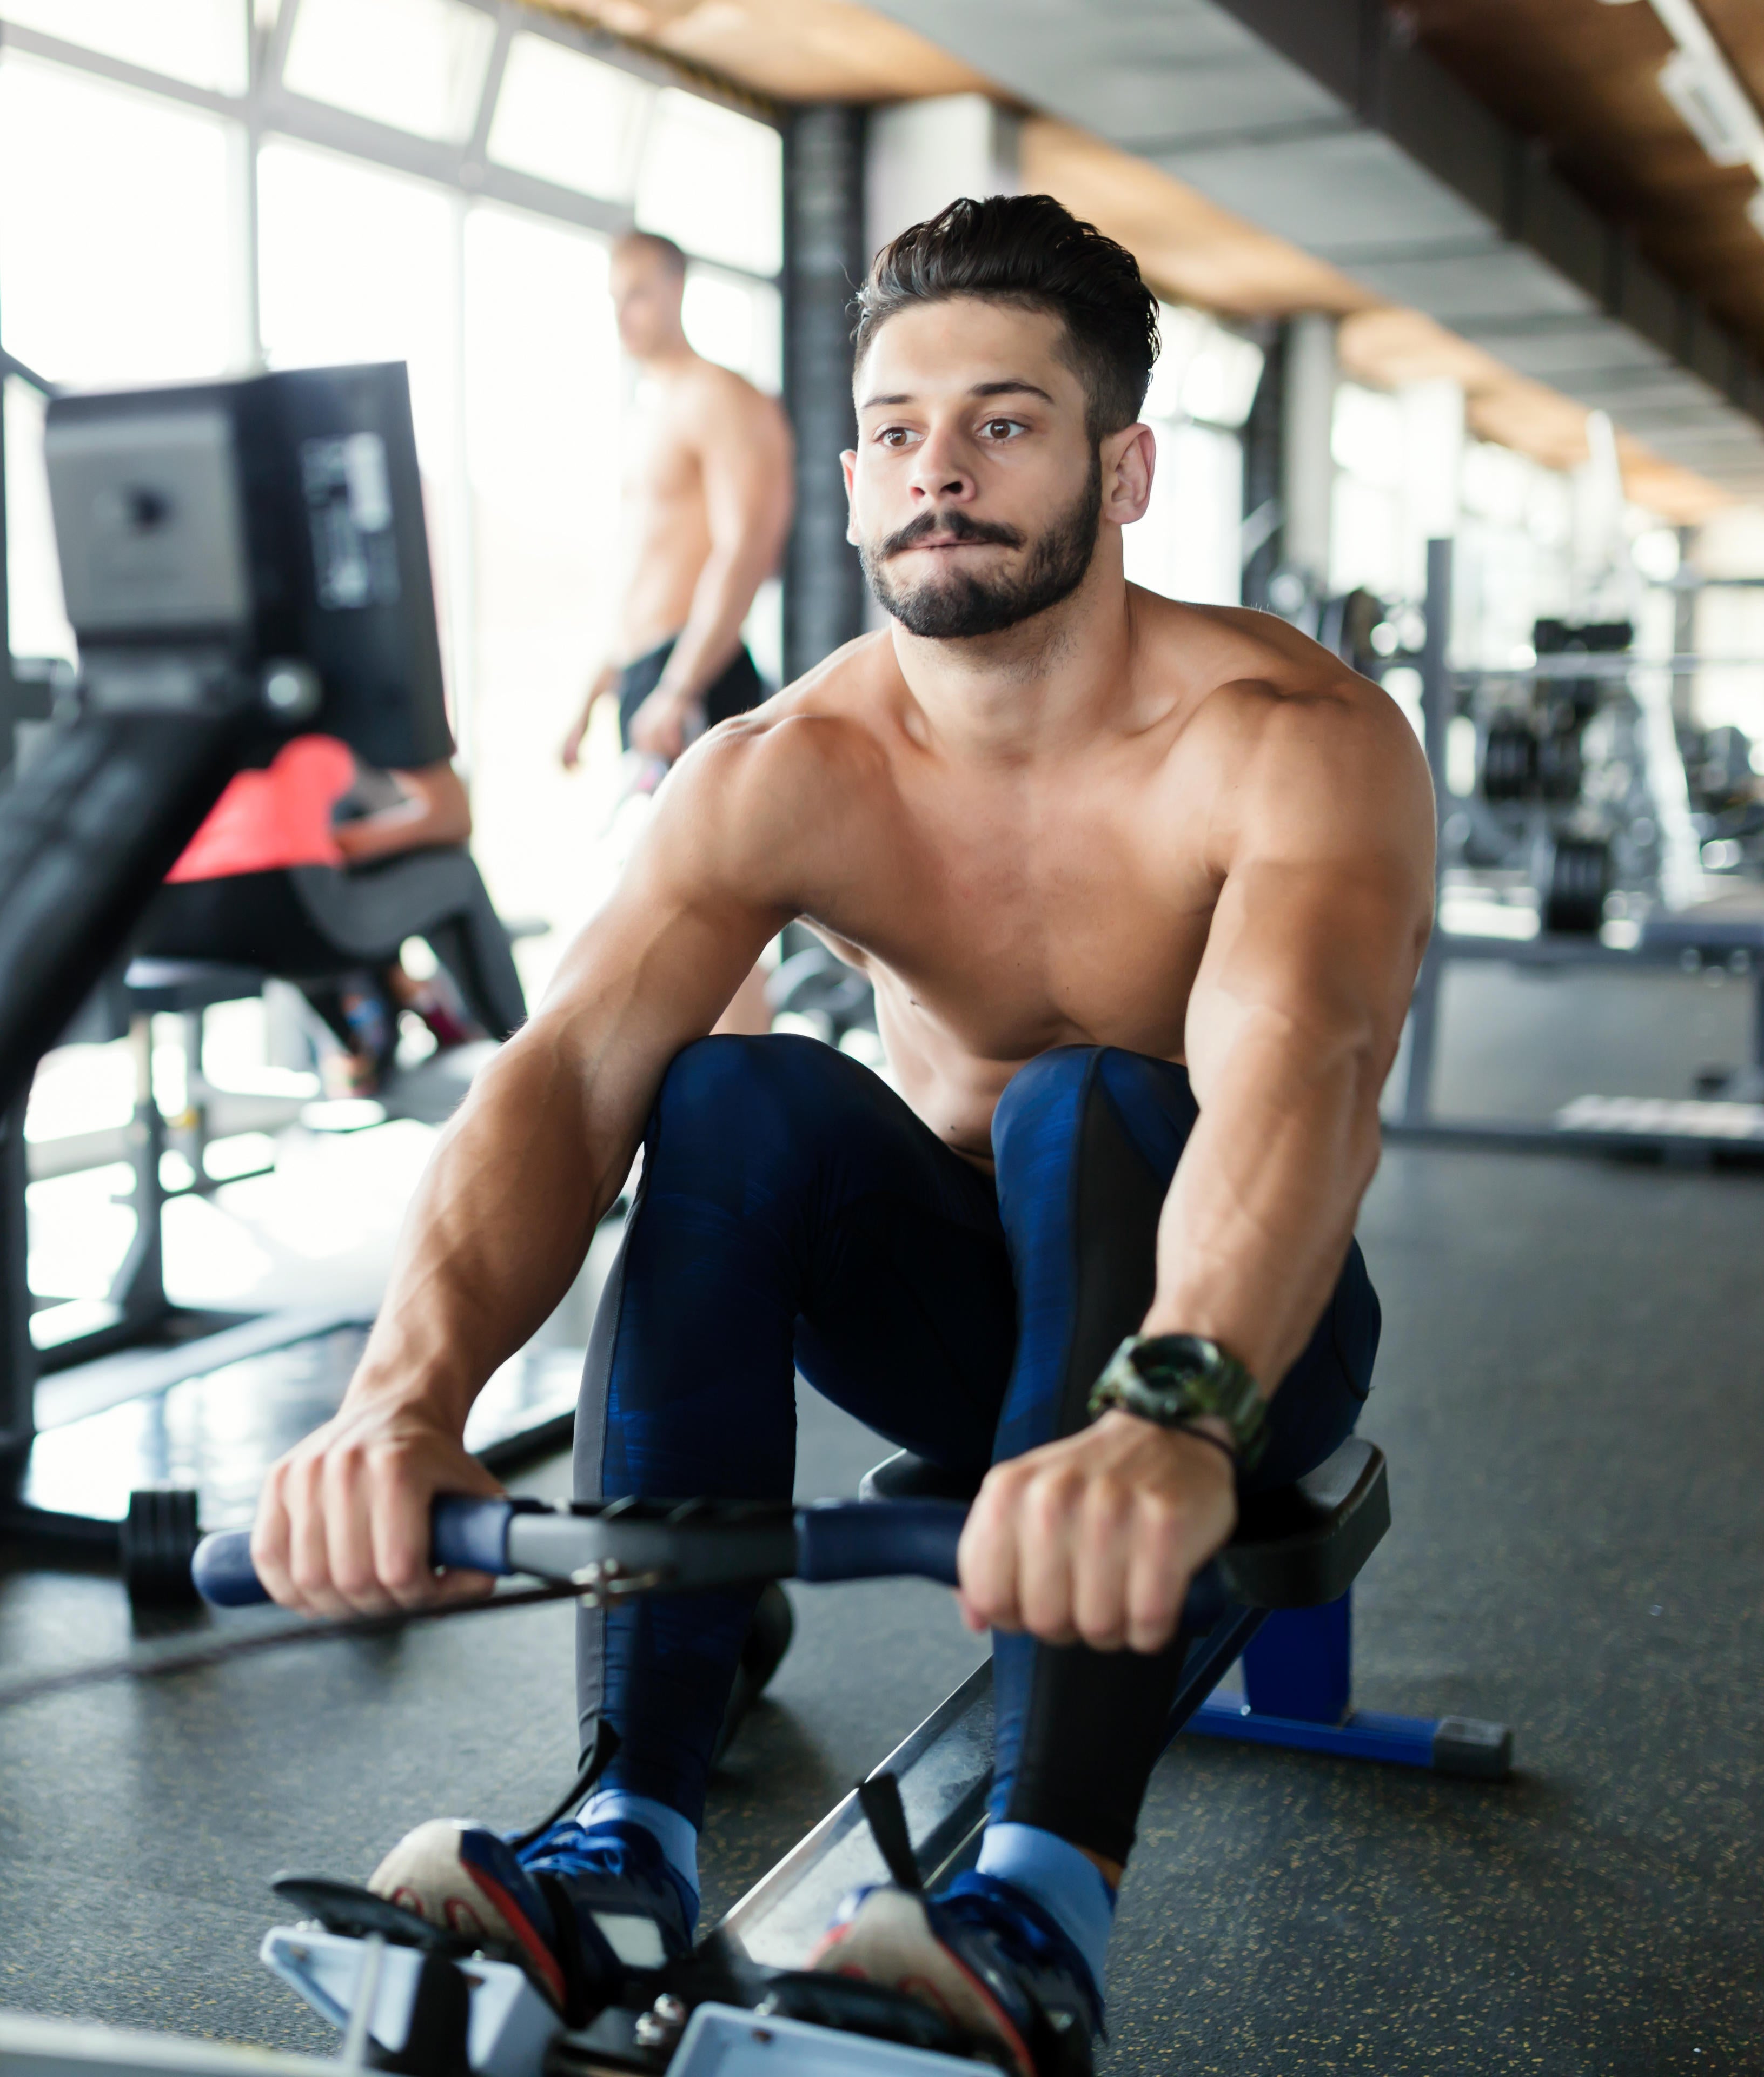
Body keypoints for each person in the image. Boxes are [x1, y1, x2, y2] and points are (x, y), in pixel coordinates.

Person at [248, 194, 1431, 2076]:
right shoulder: (790, 766)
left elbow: (1304, 1064)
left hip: (1233, 1348)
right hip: (972, 1351)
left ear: (1123, 470)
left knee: (1093, 1100)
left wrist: (1177, 1412)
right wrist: (404, 1398)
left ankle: (1033, 1911)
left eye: (1003, 422)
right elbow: (560, 1074)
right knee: (726, 1092)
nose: (935, 472)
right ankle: (617, 1841)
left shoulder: (1288, 733)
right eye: (894, 429)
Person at [560, 231, 793, 1033]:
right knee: (656, 919)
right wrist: (598, 690)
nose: (626, 314)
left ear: (679, 288)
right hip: (649, 676)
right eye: (614, 297)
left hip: (694, 674)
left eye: (640, 293)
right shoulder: (650, 410)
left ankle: (744, 1122)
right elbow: (647, 567)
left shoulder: (718, 397)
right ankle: (696, 1112)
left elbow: (746, 547)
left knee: (710, 920)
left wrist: (682, 684)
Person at [141, 736, 526, 1093]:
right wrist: (343, 844)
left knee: (314, 892)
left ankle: (355, 1044)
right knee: (456, 875)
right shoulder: (338, 697)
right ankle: (523, 1056)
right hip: (289, 911)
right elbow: (452, 820)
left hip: (162, 921)